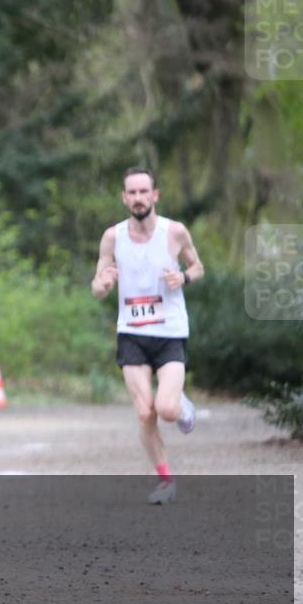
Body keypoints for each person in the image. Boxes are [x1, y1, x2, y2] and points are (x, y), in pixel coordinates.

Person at [91, 167, 204, 505]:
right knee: (144, 413)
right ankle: (166, 481)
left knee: (166, 409)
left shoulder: (175, 232)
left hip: (169, 331)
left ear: (155, 195)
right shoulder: (113, 237)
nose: (138, 198)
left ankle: (181, 406)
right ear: (124, 197)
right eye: (132, 192)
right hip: (132, 333)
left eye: (144, 191)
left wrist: (182, 278)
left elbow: (198, 268)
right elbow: (97, 285)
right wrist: (104, 284)